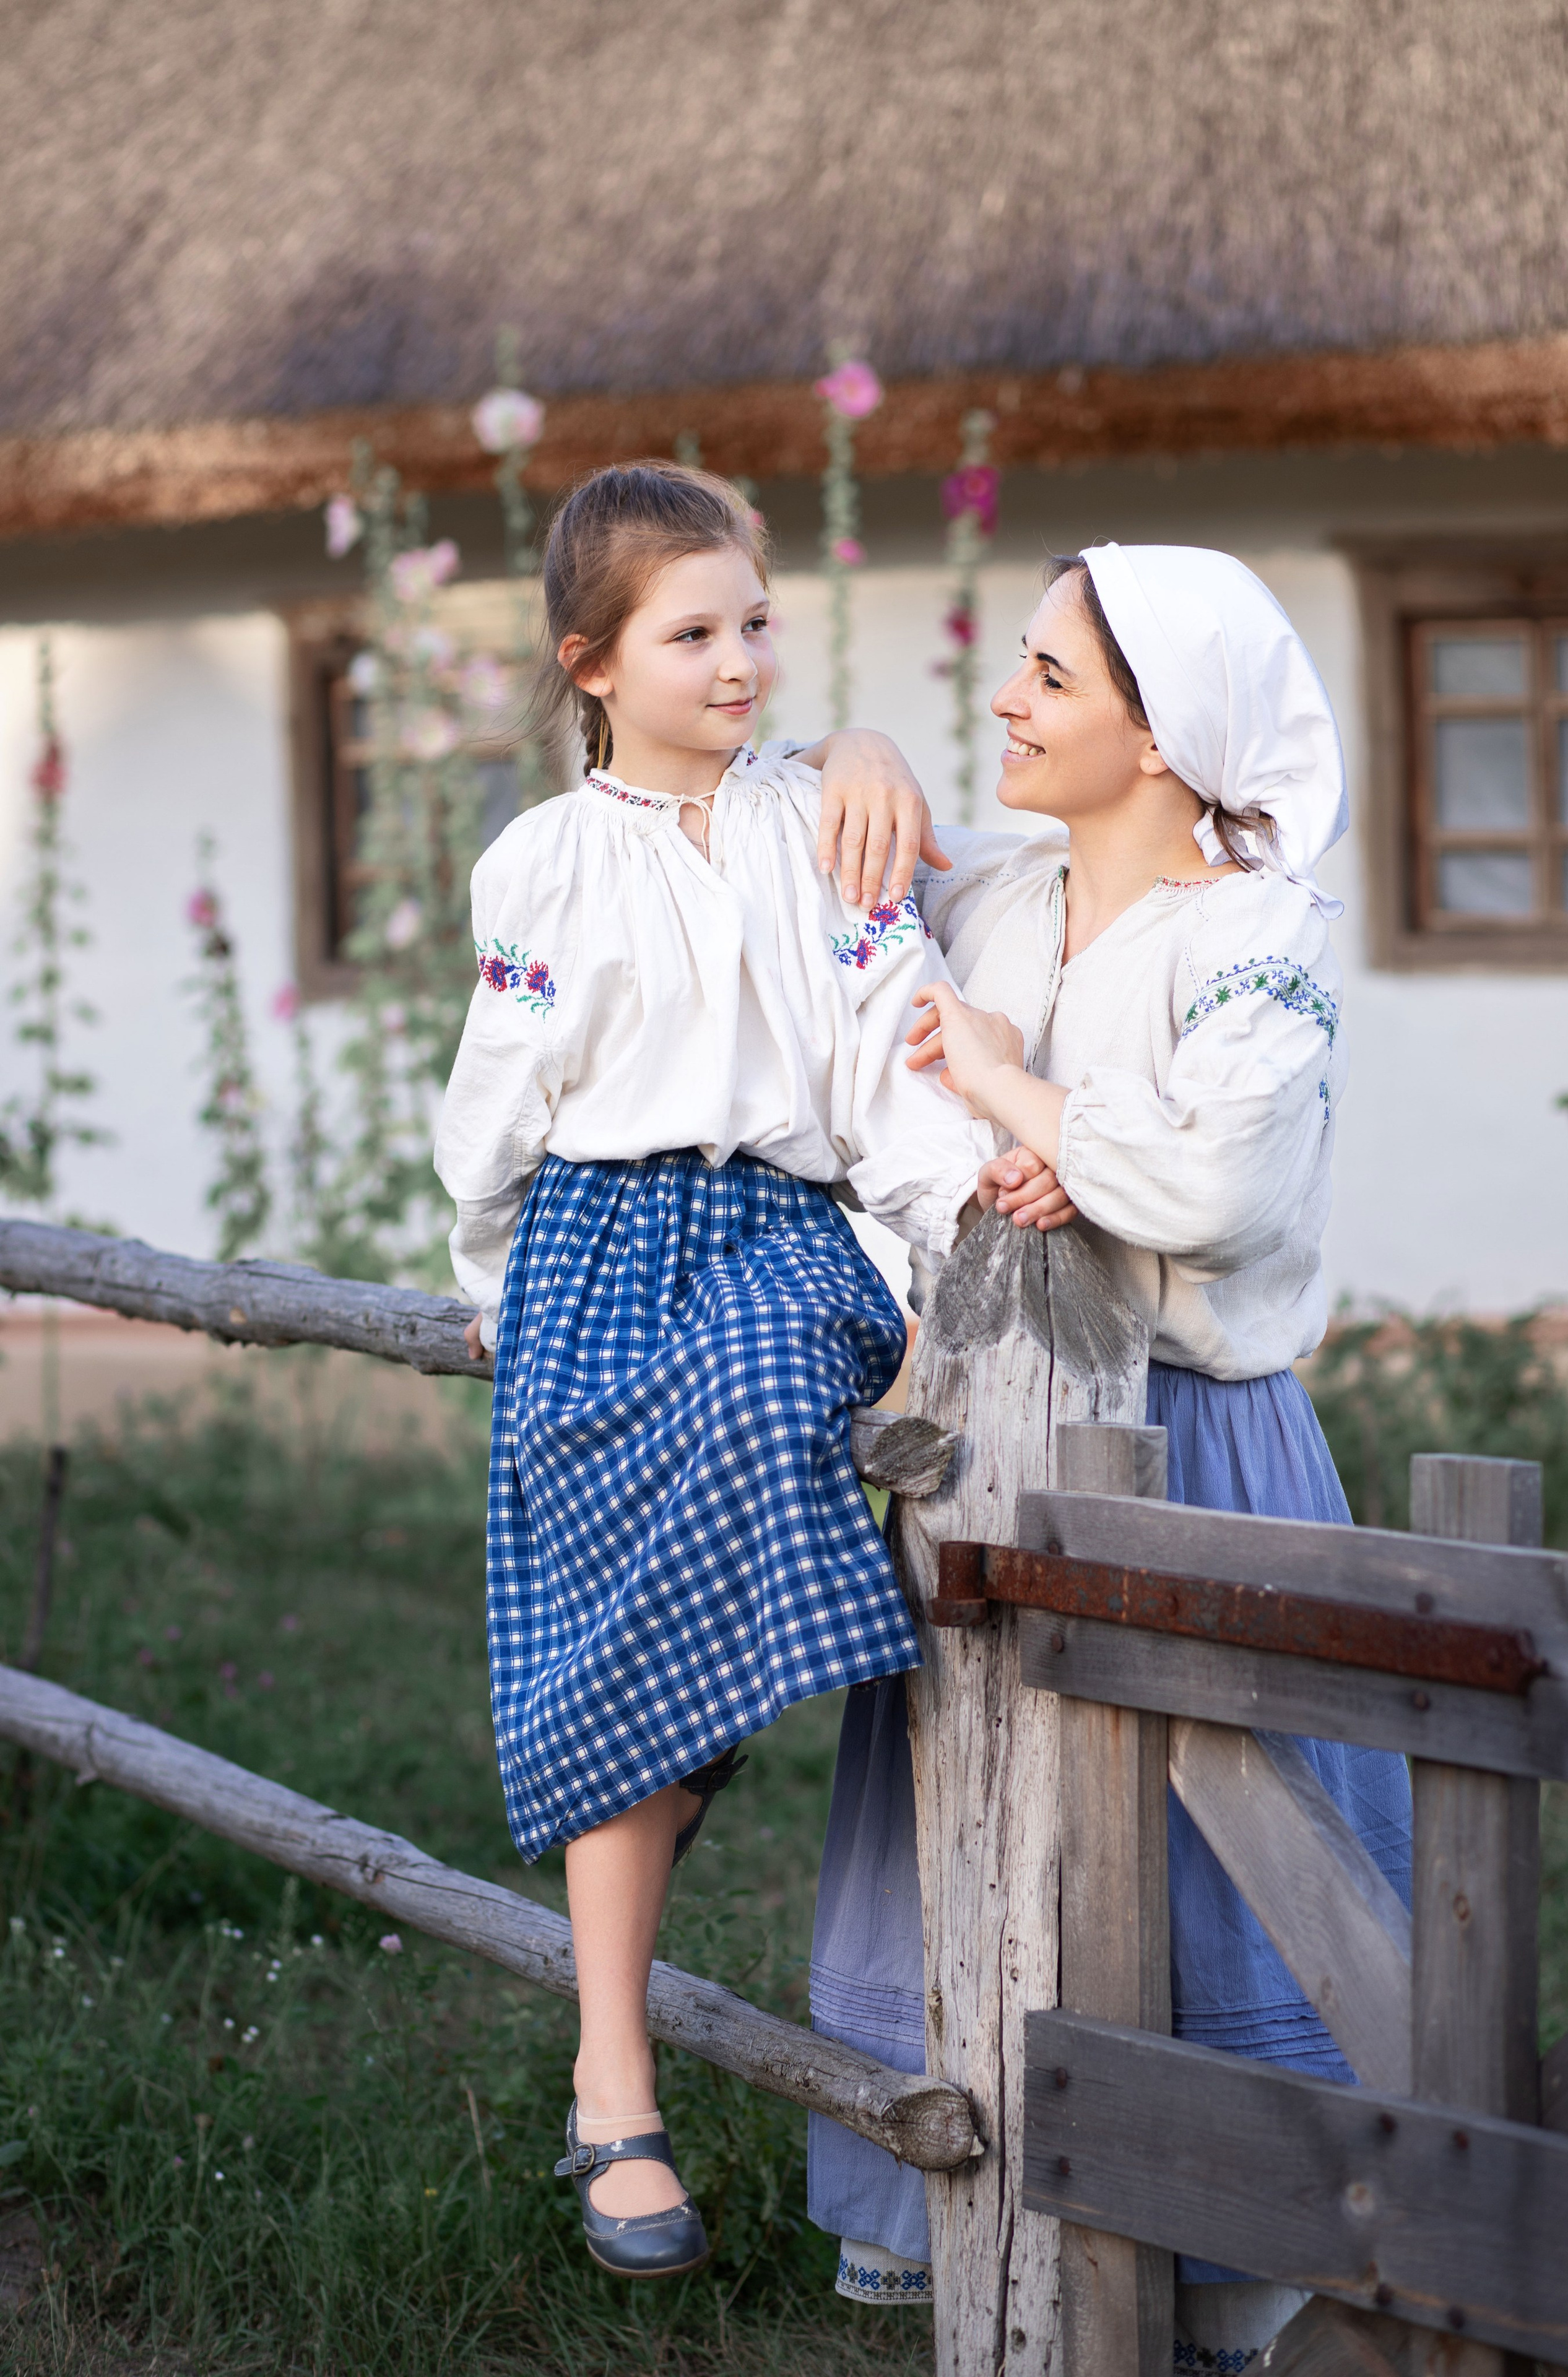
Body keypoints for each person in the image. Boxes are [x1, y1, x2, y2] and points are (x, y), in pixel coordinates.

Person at [806, 545, 1413, 2366]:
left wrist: (1017, 1091)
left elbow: (1214, 1190)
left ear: (1162, 737)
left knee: (1228, 1861)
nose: (1009, 699)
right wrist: (847, 742)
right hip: (990, 1444)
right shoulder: (991, 895)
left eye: (1053, 678)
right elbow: (857, 1040)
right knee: (971, 1840)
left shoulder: (1257, 937)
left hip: (1195, 1442)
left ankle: (1222, 2268)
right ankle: (973, 2224)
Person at [435, 460, 997, 2280]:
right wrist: (493, 1275)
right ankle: (616, 2080)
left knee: (763, 1394)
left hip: (779, 1227)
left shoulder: (811, 823)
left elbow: (892, 1052)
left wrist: (926, 1267)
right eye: (695, 633)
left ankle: (626, 2011)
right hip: (596, 1242)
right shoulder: (537, 861)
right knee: (602, 1579)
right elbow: (500, 1099)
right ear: (592, 661)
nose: (740, 659)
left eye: (758, 621)